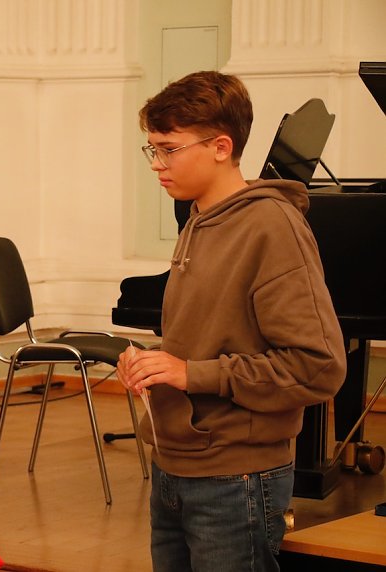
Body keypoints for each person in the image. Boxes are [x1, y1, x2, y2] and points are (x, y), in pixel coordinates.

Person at [116, 71, 346, 572]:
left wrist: (190, 373)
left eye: (168, 149)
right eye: (151, 149)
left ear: (221, 146)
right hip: (174, 467)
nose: (156, 164)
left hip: (235, 479)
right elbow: (204, 341)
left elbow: (318, 366)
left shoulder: (271, 226)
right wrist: (152, 367)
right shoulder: (199, 218)